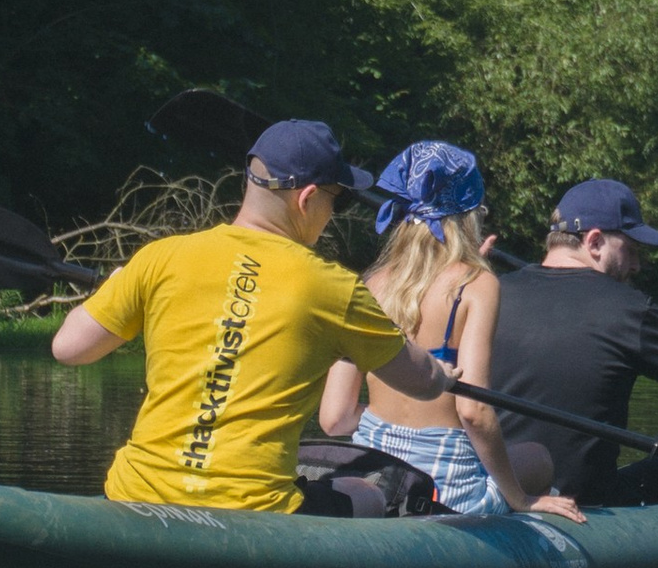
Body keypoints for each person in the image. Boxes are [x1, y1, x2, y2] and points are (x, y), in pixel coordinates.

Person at [50, 117, 446, 513]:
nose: (332, 213)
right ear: (307, 199)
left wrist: (112, 287)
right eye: (336, 200)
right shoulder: (334, 289)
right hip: (253, 514)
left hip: (136, 493)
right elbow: (424, 384)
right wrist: (442, 373)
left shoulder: (160, 257)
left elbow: (68, 348)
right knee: (369, 494)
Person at [316, 140, 580, 521]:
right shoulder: (476, 286)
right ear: (469, 218)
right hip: (446, 490)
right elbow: (473, 412)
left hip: (375, 474)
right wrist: (520, 498)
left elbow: (334, 418)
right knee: (538, 459)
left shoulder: (371, 285)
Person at [480, 177, 658, 505]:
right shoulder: (632, 310)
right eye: (630, 250)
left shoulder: (490, 293)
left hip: (497, 494)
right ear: (594, 242)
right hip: (585, 504)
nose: (636, 266)